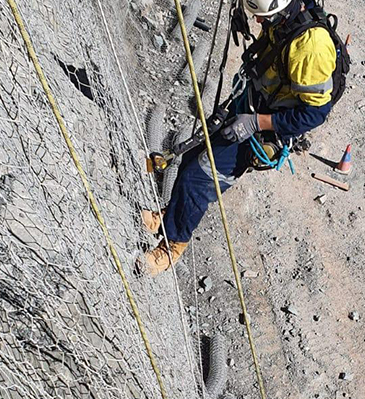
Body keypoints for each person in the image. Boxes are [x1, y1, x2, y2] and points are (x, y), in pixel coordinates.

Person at [140, 0, 338, 276]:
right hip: (252, 102)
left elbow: (314, 114)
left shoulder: (311, 49)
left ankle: (173, 246)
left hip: (265, 126)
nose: (258, 23)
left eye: (264, 18)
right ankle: (169, 217)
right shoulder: (286, 17)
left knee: (201, 179)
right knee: (192, 157)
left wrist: (258, 123)